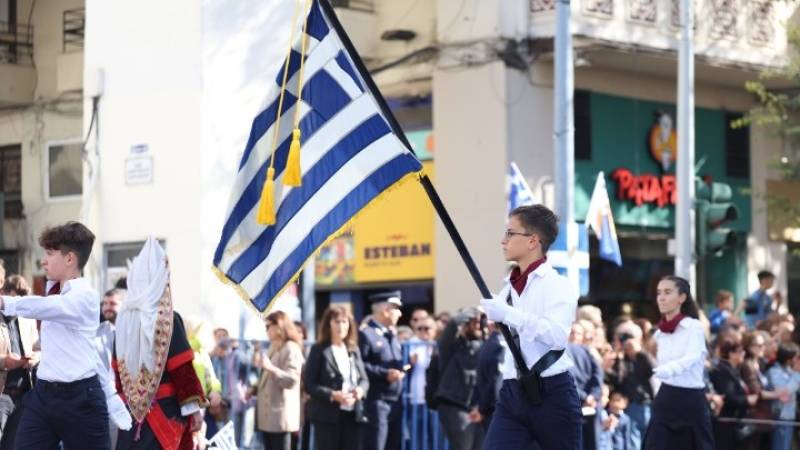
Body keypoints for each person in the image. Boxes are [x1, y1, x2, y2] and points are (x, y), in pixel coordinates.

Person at [0, 222, 132, 449]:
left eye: (50, 253)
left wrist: (4, 302)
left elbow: (49, 307)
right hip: (43, 396)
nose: (44, 260)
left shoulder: (85, 297)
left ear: (70, 259)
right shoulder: (56, 293)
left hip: (81, 401)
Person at [480, 204, 582, 450]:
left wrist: (509, 314)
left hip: (552, 391)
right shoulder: (508, 289)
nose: (503, 240)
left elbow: (557, 336)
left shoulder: (558, 284)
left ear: (532, 241)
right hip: (512, 390)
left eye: (510, 233)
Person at [114, 237, 206, 450]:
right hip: (165, 412)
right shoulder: (168, 318)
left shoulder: (123, 319)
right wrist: (194, 413)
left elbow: (116, 367)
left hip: (130, 413)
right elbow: (182, 369)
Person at [642, 276, 713, 450]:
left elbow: (693, 357)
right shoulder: (660, 332)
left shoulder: (694, 327)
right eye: (659, 293)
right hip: (666, 396)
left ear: (682, 298)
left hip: (691, 400)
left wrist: (668, 370)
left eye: (667, 292)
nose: (661, 298)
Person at [303, 306, 369, 450]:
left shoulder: (353, 349)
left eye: (344, 322)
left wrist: (360, 390)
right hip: (327, 416)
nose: (341, 326)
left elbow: (364, 379)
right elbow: (309, 384)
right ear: (329, 324)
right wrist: (333, 395)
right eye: (336, 321)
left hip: (353, 414)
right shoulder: (319, 349)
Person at [433, 307, 485, 450]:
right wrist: (473, 312)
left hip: (476, 408)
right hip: (455, 406)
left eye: (480, 322)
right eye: (474, 322)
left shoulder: (482, 346)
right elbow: (452, 326)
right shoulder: (451, 346)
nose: (478, 325)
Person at [359, 292, 405, 450]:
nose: (400, 313)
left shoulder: (391, 335)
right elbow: (359, 366)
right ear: (385, 310)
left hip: (395, 401)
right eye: (396, 308)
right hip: (376, 401)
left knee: (394, 445)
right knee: (376, 445)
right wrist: (385, 374)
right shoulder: (366, 335)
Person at [0, 274, 39, 450]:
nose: (18, 307)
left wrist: (36, 358)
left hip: (24, 395)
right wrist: (5, 361)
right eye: (15, 301)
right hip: (2, 394)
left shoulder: (28, 319)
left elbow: (38, 348)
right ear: (4, 295)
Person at [256, 310, 305, 450]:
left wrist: (270, 368)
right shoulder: (273, 346)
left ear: (279, 326)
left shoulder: (291, 348)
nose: (266, 331)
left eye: (268, 326)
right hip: (268, 416)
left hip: (280, 416)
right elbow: (266, 377)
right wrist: (253, 388)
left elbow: (292, 379)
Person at [709, 336, 752, 450]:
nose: (743, 353)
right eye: (740, 351)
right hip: (724, 423)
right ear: (731, 354)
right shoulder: (721, 371)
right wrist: (747, 400)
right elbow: (728, 396)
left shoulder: (734, 370)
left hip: (734, 422)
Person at [96, 288, 126, 448]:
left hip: (129, 401)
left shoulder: (132, 331)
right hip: (104, 401)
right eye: (105, 303)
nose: (107, 307)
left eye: (112, 303)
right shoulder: (97, 332)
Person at [765, 343, 800, 450]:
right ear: (789, 359)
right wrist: (797, 374)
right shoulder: (774, 372)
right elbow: (783, 394)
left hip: (789, 418)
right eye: (797, 357)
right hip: (780, 418)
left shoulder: (790, 372)